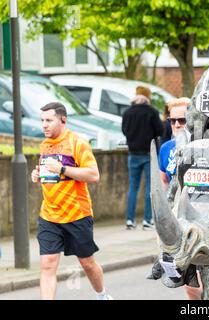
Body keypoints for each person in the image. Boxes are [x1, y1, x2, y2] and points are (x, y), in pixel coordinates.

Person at [31, 102, 112, 300]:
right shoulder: (45, 145)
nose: (44, 125)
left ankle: (101, 295)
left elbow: (93, 175)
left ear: (63, 120)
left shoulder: (78, 143)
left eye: (49, 120)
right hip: (49, 215)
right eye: (42, 121)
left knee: (87, 263)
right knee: (48, 263)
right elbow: (49, 175)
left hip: (77, 214)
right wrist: (37, 174)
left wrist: (62, 169)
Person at [122, 89, 163, 230]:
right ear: (147, 97)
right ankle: (147, 220)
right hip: (148, 153)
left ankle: (130, 220)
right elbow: (160, 130)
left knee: (133, 187)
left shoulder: (127, 112)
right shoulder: (151, 111)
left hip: (133, 153)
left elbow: (124, 130)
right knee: (149, 188)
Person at [158, 97, 190, 189]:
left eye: (182, 120)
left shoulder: (203, 146)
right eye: (172, 121)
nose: (177, 125)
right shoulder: (165, 148)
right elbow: (164, 181)